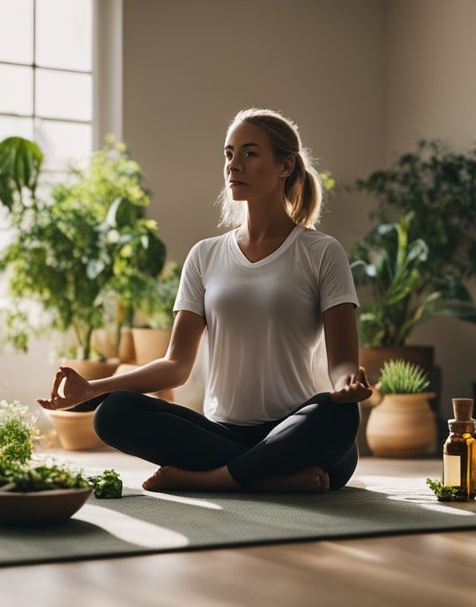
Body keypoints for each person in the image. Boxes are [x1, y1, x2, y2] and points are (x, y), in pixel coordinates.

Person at [37, 108, 371, 493]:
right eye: (229, 154)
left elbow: (343, 361)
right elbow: (176, 365)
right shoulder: (205, 255)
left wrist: (348, 386)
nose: (234, 165)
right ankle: (267, 477)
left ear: (286, 166)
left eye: (249, 153)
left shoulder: (322, 252)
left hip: (295, 428)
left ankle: (215, 479)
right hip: (220, 432)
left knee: (337, 415)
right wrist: (94, 389)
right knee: (113, 413)